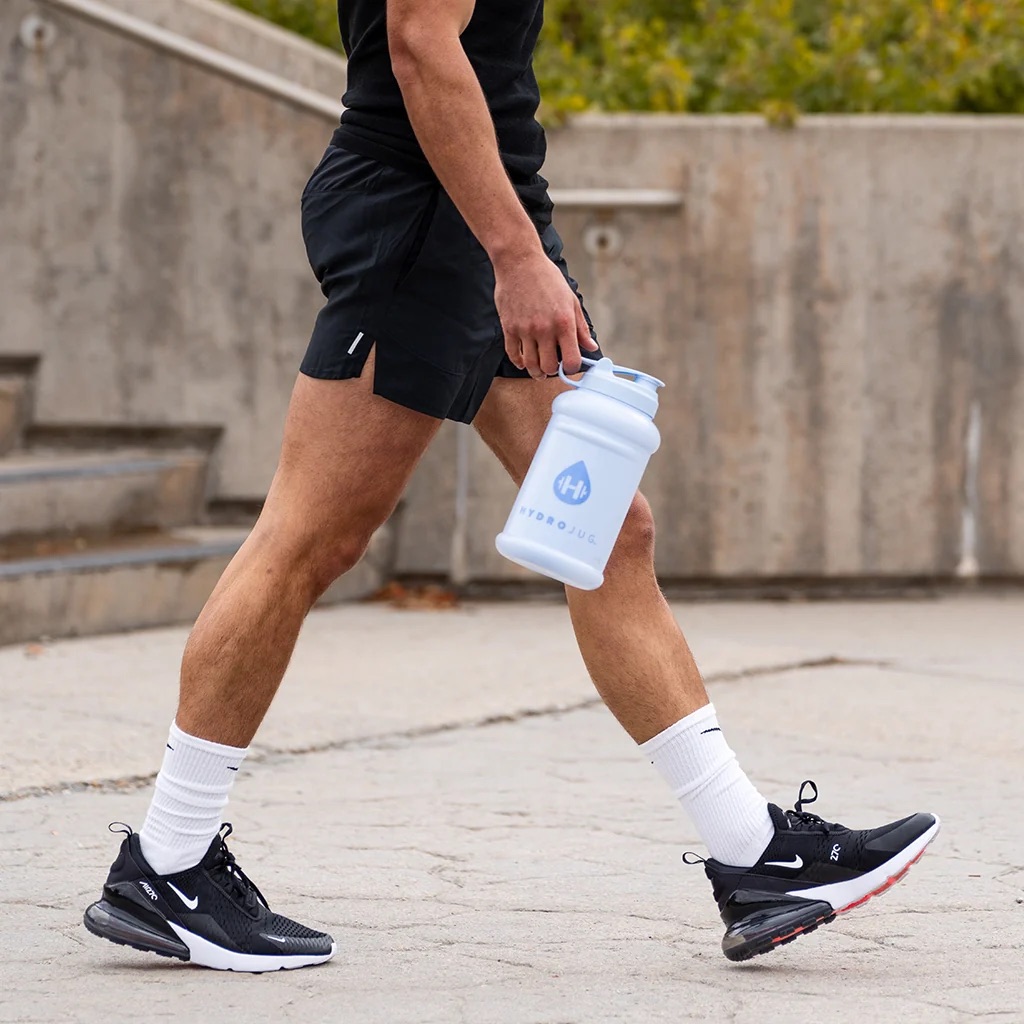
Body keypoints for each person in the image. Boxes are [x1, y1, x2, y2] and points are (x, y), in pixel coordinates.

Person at [83, 0, 939, 971]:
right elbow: (418, 40)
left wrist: (515, 239)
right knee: (307, 538)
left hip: (479, 211)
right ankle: (169, 861)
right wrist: (515, 255)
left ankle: (754, 854)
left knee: (609, 529)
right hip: (434, 219)